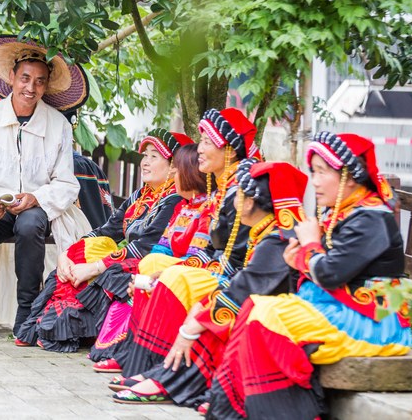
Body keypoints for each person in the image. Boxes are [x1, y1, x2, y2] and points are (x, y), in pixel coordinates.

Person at [205, 132, 411, 420]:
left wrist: (310, 246)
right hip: (340, 308)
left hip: (371, 321)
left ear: (349, 177)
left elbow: (328, 273)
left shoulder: (372, 218)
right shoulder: (346, 211)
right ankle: (233, 403)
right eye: (312, 172)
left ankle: (287, 411)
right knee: (255, 306)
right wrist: (298, 258)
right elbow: (321, 269)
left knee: (268, 319)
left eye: (321, 172)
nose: (313, 181)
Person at [111, 160, 307, 407]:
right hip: (248, 302)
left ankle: (168, 380)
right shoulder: (264, 233)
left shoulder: (275, 240)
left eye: (239, 195)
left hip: (268, 315)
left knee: (215, 319)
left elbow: (241, 286)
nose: (233, 203)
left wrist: (193, 323)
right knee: (204, 306)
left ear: (249, 202)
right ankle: (160, 374)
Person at [94, 107, 260, 375]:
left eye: (206, 142)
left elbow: (230, 257)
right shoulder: (219, 191)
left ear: (228, 149)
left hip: (237, 277)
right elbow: (204, 250)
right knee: (151, 265)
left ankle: (154, 366)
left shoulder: (241, 189)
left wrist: (174, 269)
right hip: (216, 267)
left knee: (170, 277)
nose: (200, 151)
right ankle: (133, 356)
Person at [0, 35, 89, 343]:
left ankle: (26, 316)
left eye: (40, 82)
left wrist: (36, 198)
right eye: (25, 78)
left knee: (30, 227)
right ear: (12, 78)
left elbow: (66, 183)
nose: (31, 88)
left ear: (47, 86)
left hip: (35, 207)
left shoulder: (58, 125)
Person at [15, 129, 191, 352]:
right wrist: (67, 254)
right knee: (77, 258)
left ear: (174, 166)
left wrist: (95, 267)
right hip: (130, 258)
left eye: (154, 157)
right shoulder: (141, 196)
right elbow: (106, 231)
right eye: (145, 156)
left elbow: (145, 246)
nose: (145, 163)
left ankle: (69, 331)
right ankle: (44, 327)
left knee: (108, 273)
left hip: (151, 264)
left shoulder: (175, 200)